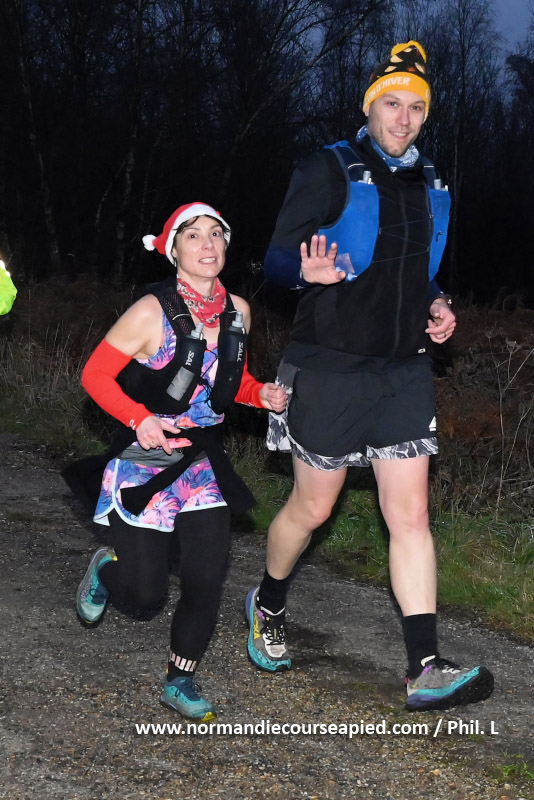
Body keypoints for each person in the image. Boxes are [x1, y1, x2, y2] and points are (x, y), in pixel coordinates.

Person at [245, 42, 494, 712]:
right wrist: (305, 272)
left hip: (402, 369)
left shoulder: (429, 183)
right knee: (313, 507)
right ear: (370, 107)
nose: (403, 118)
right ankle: (268, 601)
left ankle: (425, 667)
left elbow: (415, 271)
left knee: (410, 513)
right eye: (392, 104)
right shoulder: (327, 168)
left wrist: (437, 304)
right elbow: (275, 259)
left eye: (415, 107)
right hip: (330, 363)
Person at [74, 202, 286, 722]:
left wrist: (261, 395)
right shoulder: (151, 311)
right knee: (144, 594)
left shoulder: (238, 311)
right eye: (193, 235)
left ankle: (180, 680)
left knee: (206, 579)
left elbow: (230, 382)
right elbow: (94, 375)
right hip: (146, 457)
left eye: (216, 233)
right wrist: (138, 418)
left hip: (203, 462)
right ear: (173, 250)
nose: (208, 244)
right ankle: (105, 569)